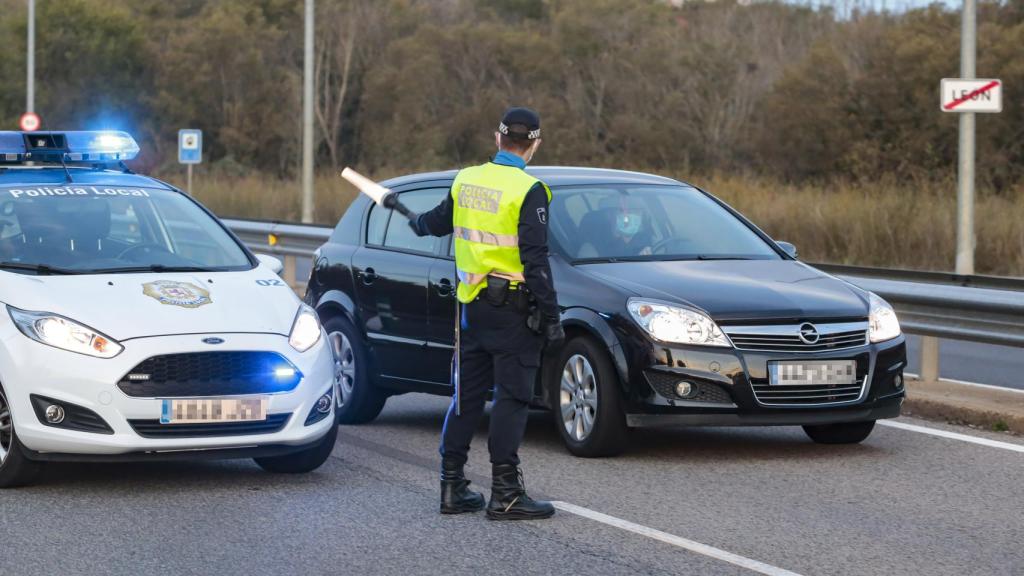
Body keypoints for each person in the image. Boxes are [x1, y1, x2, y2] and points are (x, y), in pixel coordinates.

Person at [408, 107, 564, 520]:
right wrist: (551, 317)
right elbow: (535, 259)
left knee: (467, 397)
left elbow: (436, 223)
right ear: (534, 144)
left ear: (498, 139)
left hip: (471, 308)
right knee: (512, 397)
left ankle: (452, 486)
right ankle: (506, 494)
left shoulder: (466, 179)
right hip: (513, 311)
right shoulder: (530, 190)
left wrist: (415, 221)